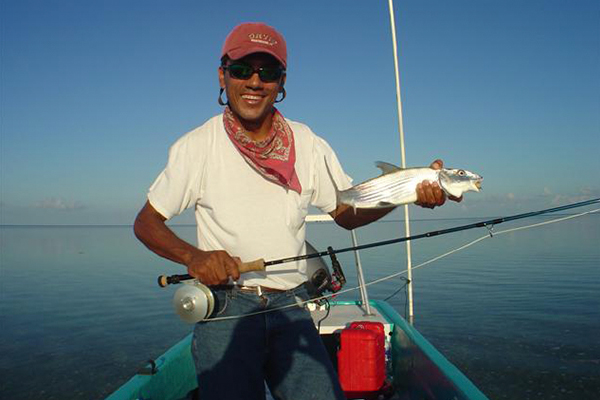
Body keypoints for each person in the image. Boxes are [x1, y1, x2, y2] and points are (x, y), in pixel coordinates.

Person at [134, 22, 455, 400]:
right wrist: (195, 256)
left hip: (292, 303)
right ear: (222, 76)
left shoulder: (307, 143)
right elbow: (146, 222)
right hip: (227, 307)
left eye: (267, 72)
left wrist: (406, 194)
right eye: (241, 69)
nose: (254, 81)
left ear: (282, 82)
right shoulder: (197, 147)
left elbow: (346, 211)